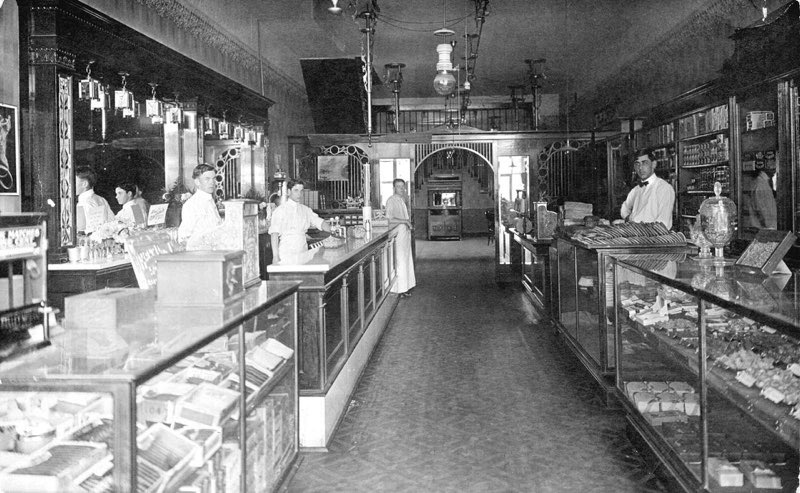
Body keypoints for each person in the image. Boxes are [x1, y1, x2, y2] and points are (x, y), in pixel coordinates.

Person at [269, 178, 331, 265]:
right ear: (289, 191)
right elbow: (274, 234)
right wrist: (275, 256)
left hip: (303, 253)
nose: (299, 194)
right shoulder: (280, 211)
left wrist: (333, 231)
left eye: (301, 191)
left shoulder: (305, 210)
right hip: (286, 254)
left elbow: (320, 222)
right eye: (296, 190)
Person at [619, 151, 675, 229]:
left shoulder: (664, 188)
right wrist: (628, 218)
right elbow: (625, 207)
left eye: (644, 163)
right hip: (634, 236)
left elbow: (664, 224)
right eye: (637, 164)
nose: (640, 168)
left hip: (653, 239)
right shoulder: (636, 190)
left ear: (653, 164)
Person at [385, 178, 416, 298]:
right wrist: (405, 222)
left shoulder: (402, 200)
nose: (402, 189)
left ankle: (404, 287)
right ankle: (398, 289)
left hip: (404, 234)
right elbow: (389, 220)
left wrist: (406, 223)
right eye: (399, 186)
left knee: (406, 260)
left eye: (403, 186)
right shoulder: (391, 201)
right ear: (394, 188)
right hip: (397, 235)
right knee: (400, 262)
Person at [178, 163, 223, 243]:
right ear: (197, 182)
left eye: (213, 179)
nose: (212, 182)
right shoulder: (191, 205)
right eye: (207, 179)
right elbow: (183, 237)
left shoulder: (210, 201)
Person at [75, 167, 113, 234]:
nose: (70, 185)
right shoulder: (101, 199)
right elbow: (111, 220)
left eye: (74, 182)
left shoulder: (84, 202)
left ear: (85, 184)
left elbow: (81, 229)